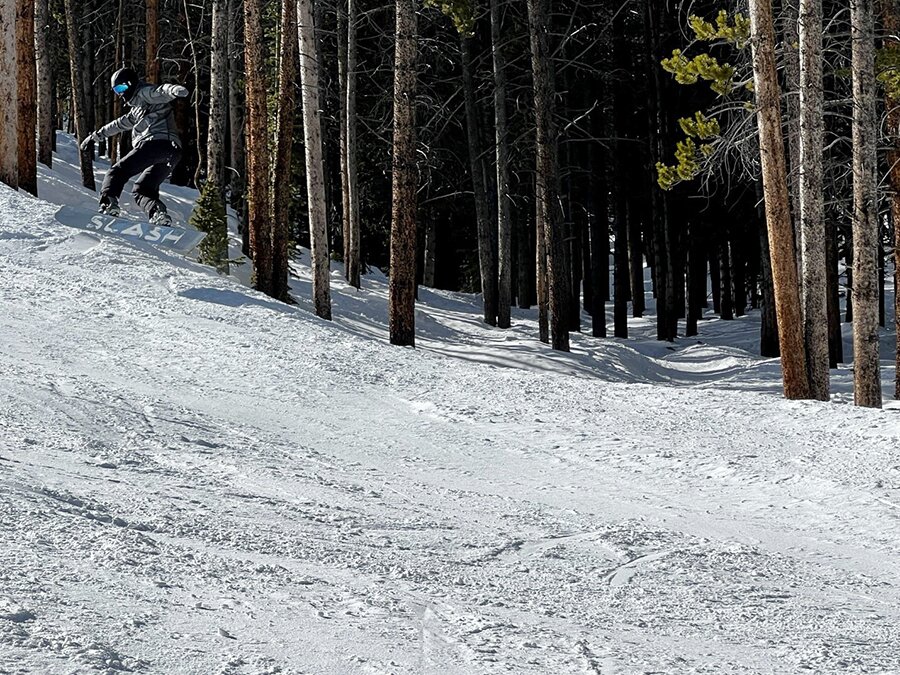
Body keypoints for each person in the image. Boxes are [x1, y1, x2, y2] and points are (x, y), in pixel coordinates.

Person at [80, 67, 189, 225]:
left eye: (122, 88)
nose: (120, 93)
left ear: (130, 84)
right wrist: (95, 136)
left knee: (116, 173)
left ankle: (108, 204)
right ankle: (158, 214)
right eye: (116, 90)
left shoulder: (143, 93)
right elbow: (119, 124)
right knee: (143, 188)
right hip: (172, 152)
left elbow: (160, 91)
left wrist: (174, 90)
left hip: (155, 143)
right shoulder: (137, 110)